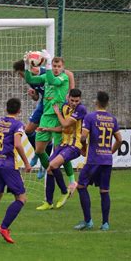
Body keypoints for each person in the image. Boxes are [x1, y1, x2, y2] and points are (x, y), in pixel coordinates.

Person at [24, 53, 77, 206]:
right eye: (53, 66)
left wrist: (46, 65)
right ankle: (51, 169)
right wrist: (27, 64)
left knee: (59, 152)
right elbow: (30, 80)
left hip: (58, 116)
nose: (55, 68)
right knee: (40, 150)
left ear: (63, 68)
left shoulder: (63, 78)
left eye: (58, 66)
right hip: (46, 116)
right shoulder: (47, 76)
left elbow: (53, 80)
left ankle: (65, 184)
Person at [0, 98, 32, 244]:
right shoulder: (18, 124)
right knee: (21, 198)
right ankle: (4, 227)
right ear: (19, 110)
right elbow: (17, 144)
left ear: (6, 108)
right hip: (9, 166)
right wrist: (27, 163)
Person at [74, 91, 122, 231]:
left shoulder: (90, 117)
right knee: (104, 191)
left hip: (93, 159)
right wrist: (110, 151)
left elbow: (83, 137)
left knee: (81, 186)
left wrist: (83, 148)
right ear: (107, 103)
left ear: (96, 102)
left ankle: (88, 221)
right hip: (106, 160)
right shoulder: (112, 119)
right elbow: (120, 139)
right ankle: (105, 223)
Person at [36, 89, 87, 210]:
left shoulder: (81, 109)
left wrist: (57, 112)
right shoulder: (64, 107)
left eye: (77, 101)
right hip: (64, 144)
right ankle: (48, 202)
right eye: (72, 100)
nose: (74, 103)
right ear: (68, 98)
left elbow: (65, 124)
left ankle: (64, 191)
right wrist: (48, 129)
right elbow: (63, 128)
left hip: (75, 146)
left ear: (80, 100)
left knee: (53, 165)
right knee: (49, 169)